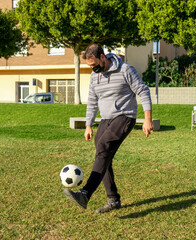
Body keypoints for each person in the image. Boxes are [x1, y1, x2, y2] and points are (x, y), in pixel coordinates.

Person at [64, 44, 153, 213]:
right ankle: (113, 200)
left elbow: (143, 91)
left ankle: (85, 194)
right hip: (106, 119)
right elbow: (92, 101)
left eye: (93, 64)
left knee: (103, 147)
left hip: (125, 116)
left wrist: (147, 120)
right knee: (103, 155)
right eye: (90, 66)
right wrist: (88, 125)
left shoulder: (125, 70)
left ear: (102, 57)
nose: (92, 68)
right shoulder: (94, 76)